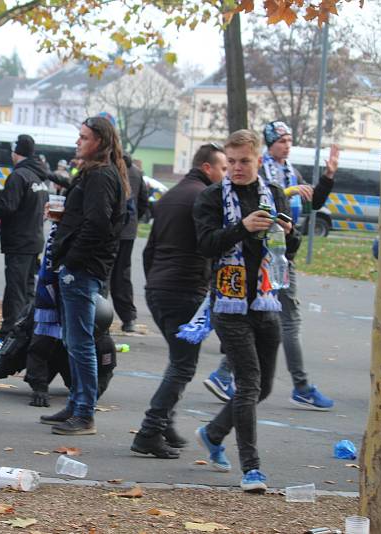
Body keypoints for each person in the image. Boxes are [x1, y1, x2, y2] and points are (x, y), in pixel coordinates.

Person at [203, 121, 339, 411]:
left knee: (259, 379)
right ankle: (299, 386)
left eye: (290, 140)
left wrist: (327, 178)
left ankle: (225, 385)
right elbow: (208, 242)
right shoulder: (250, 180)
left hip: (274, 268)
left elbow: (312, 203)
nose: (286, 145)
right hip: (235, 282)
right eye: (281, 140)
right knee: (262, 364)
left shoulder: (286, 175)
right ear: (267, 148)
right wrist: (246, 226)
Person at [192, 129, 299, 493]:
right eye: (231, 162)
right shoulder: (211, 197)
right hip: (228, 302)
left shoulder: (274, 194)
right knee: (249, 382)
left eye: (244, 162)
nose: (236, 169)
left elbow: (291, 249)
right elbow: (205, 245)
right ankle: (252, 468)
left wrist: (289, 232)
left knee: (262, 387)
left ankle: (213, 432)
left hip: (266, 301)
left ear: (257, 161)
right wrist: (241, 227)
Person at [129, 143, 228, 459]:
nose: (226, 176)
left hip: (160, 287)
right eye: (224, 169)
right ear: (208, 167)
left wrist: (154, 280)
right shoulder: (205, 197)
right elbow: (209, 245)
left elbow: (150, 248)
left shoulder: (170, 195)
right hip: (184, 288)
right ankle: (149, 430)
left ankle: (165, 423)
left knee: (178, 360)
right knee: (183, 366)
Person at [41, 116, 129, 436]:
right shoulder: (94, 173)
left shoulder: (102, 176)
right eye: (79, 136)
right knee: (73, 341)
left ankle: (85, 412)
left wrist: (71, 259)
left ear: (101, 143)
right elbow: (89, 218)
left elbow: (98, 224)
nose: (78, 142)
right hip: (80, 266)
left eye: (84, 137)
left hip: (82, 269)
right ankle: (77, 404)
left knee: (80, 344)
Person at [0, 134, 48, 354]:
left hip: (19, 242)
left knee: (15, 291)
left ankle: (7, 337)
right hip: (34, 240)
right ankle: (28, 334)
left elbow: (6, 207)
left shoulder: (18, 176)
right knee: (28, 291)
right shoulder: (38, 177)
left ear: (16, 153)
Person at [110, 155, 148, 332]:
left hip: (111, 229)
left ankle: (95, 315)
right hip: (128, 231)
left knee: (102, 273)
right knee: (122, 274)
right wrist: (133, 221)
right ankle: (128, 318)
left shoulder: (110, 169)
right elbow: (143, 201)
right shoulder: (137, 172)